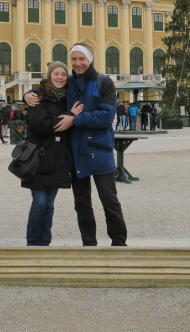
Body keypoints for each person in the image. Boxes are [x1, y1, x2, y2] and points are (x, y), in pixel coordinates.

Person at [25, 43, 128, 246]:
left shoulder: (104, 82)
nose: (78, 63)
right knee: (82, 203)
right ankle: (88, 243)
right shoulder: (70, 82)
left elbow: (107, 116)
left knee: (109, 201)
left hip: (99, 151)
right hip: (75, 153)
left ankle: (119, 243)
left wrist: (76, 120)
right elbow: (49, 86)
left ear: (90, 59)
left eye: (82, 59)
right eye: (74, 59)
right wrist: (28, 94)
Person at [22, 61, 83, 246]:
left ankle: (45, 242)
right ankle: (33, 243)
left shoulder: (68, 96)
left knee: (49, 203)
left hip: (58, 158)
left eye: (63, 74)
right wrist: (69, 114)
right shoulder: (36, 96)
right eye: (56, 73)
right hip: (39, 158)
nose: (60, 77)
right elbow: (43, 126)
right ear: (49, 75)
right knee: (40, 202)